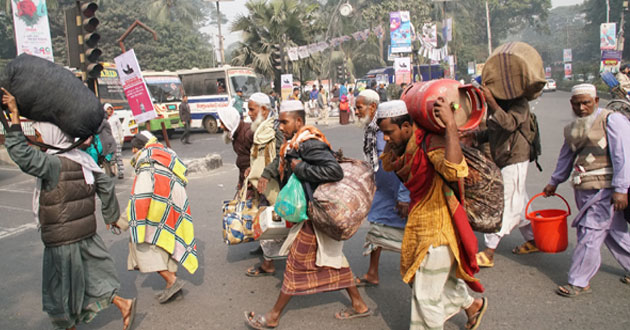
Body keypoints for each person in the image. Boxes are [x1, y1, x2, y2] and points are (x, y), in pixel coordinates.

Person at [1, 88, 137, 330]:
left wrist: (13, 117)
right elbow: (106, 185)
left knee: (61, 290)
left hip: (61, 240)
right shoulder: (83, 160)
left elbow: (21, 154)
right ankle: (123, 304)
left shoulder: (52, 163)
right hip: (84, 234)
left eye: (44, 132)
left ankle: (71, 325)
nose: (41, 135)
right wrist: (111, 217)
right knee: (90, 277)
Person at [245, 100, 371, 329]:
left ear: (299, 121)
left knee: (295, 262)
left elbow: (333, 170)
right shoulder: (294, 143)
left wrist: (300, 169)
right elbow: (284, 162)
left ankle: (273, 316)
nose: (280, 126)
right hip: (311, 214)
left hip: (317, 213)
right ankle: (359, 304)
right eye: (280, 121)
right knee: (332, 259)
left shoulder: (309, 143)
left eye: (285, 121)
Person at [378, 99, 487, 330]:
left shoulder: (430, 144)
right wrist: (392, 140)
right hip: (419, 222)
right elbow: (388, 163)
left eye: (389, 132)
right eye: (383, 133)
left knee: (425, 298)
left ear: (407, 126)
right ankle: (472, 307)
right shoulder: (405, 148)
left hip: (437, 231)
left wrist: (450, 127)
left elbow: (454, 170)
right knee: (435, 279)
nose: (386, 139)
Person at [542, 84, 630, 297]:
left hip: (606, 190)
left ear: (596, 101)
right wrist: (554, 182)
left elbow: (623, 155)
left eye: (586, 103)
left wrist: (621, 189)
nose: (581, 107)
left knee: (590, 232)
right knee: (613, 232)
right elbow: (566, 157)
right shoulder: (574, 127)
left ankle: (579, 281)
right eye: (577, 103)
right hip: (584, 189)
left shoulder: (612, 120)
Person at [124, 131, 198, 303]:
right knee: (168, 239)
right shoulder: (165, 154)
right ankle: (172, 283)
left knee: (142, 244)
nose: (133, 153)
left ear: (137, 148)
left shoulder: (146, 161)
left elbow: (140, 197)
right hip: (174, 202)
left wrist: (131, 222)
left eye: (134, 149)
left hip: (158, 203)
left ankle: (172, 280)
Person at [472, 86, 536, 268]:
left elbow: (508, 123)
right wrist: (474, 137)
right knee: (519, 199)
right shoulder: (500, 104)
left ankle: (489, 251)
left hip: (515, 157)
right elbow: (493, 129)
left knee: (503, 201)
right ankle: (534, 238)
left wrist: (491, 101)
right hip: (502, 157)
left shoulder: (519, 103)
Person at [354, 90, 410, 288]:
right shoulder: (373, 129)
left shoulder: (387, 131)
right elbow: (377, 161)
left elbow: (406, 163)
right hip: (384, 191)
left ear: (372, 107)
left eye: (359, 107)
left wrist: (403, 195)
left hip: (398, 192)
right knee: (377, 227)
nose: (356, 111)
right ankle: (372, 272)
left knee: (407, 236)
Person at [243, 92, 286, 277]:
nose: (249, 113)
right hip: (263, 183)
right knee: (270, 221)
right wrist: (251, 170)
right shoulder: (261, 128)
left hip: (274, 184)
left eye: (251, 109)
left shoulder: (277, 128)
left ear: (264, 109)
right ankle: (271, 259)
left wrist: (266, 173)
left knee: (271, 221)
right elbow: (259, 156)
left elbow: (280, 155)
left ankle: (270, 263)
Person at [218, 106, 254, 190]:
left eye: (223, 123)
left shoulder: (248, 133)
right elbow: (242, 161)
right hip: (245, 178)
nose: (221, 127)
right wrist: (240, 182)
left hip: (252, 180)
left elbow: (256, 160)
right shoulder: (235, 134)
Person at [104, 103, 125, 179]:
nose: (109, 110)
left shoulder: (115, 118)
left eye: (110, 109)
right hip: (108, 142)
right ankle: (111, 172)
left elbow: (120, 129)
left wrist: (121, 138)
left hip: (116, 141)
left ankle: (121, 172)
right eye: (108, 109)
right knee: (110, 158)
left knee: (118, 157)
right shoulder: (104, 119)